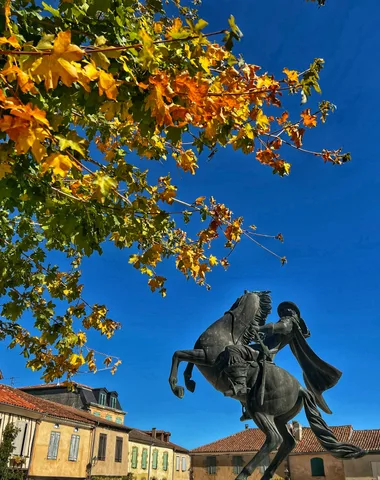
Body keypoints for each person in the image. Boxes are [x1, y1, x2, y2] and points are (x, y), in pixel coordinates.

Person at [220, 300, 341, 418]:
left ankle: (240, 385)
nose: (283, 311)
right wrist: (258, 334)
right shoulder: (289, 324)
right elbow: (268, 336)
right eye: (282, 310)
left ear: (293, 313)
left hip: (263, 352)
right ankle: (247, 404)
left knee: (233, 350)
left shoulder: (289, 322)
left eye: (285, 309)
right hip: (263, 349)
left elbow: (279, 327)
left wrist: (259, 328)